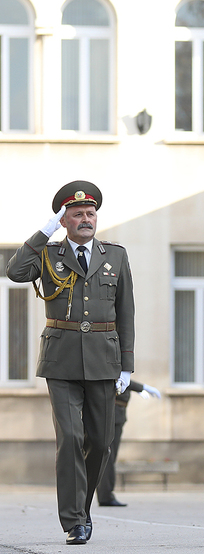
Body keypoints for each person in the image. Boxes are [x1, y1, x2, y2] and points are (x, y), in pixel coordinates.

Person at [6, 181, 135, 545]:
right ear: (63, 221)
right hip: (60, 360)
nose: (85, 219)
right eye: (77, 214)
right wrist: (44, 231)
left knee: (101, 441)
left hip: (103, 359)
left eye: (90, 214)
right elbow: (15, 271)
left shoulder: (115, 256)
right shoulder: (48, 254)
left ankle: (82, 507)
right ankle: (74, 521)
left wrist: (127, 365)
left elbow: (126, 311)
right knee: (71, 437)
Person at [97, 379, 161, 507]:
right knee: (108, 457)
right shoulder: (112, 368)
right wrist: (142, 387)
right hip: (112, 414)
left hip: (116, 413)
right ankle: (106, 496)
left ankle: (106, 495)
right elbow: (118, 376)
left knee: (109, 457)